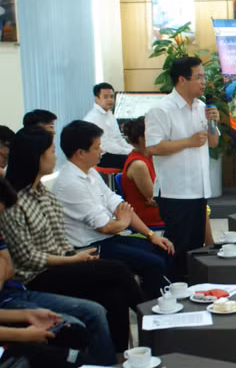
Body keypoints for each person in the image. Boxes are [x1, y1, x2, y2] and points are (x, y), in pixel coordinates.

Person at [0, 126, 144, 352]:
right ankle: (151, 320)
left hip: (62, 265)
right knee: (118, 270)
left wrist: (75, 256)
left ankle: (119, 357)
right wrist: (73, 260)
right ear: (36, 157)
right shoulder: (13, 201)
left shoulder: (44, 193)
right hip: (37, 276)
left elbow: (60, 238)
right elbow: (27, 258)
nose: (55, 157)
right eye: (51, 152)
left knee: (114, 295)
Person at [0, 175, 115, 366]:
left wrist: (27, 315)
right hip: (29, 282)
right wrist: (22, 333)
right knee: (73, 329)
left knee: (99, 305)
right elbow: (21, 261)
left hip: (16, 292)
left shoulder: (44, 194)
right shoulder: (25, 201)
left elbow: (9, 268)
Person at [53, 120, 175, 298]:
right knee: (153, 263)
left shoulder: (90, 172)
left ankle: (164, 298)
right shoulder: (70, 183)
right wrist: (123, 222)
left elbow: (119, 205)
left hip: (109, 239)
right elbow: (105, 226)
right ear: (80, 153)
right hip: (91, 247)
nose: (101, 151)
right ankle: (152, 306)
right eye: (97, 148)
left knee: (164, 249)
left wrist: (151, 235)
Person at [145, 56, 218, 276]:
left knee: (195, 248)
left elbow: (213, 143)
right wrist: (188, 141)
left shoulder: (202, 107)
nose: (204, 82)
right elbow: (153, 147)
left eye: (204, 77)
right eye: (199, 77)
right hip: (175, 191)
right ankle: (174, 286)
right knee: (178, 248)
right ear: (181, 79)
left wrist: (213, 124)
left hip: (199, 188)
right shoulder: (161, 109)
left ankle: (194, 286)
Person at [82, 82, 132, 169]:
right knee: (137, 162)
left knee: (140, 157)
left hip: (114, 152)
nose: (110, 100)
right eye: (105, 97)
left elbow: (118, 138)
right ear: (97, 98)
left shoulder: (109, 114)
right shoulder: (94, 118)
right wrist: (127, 151)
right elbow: (105, 145)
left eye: (112, 97)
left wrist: (131, 149)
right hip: (101, 156)